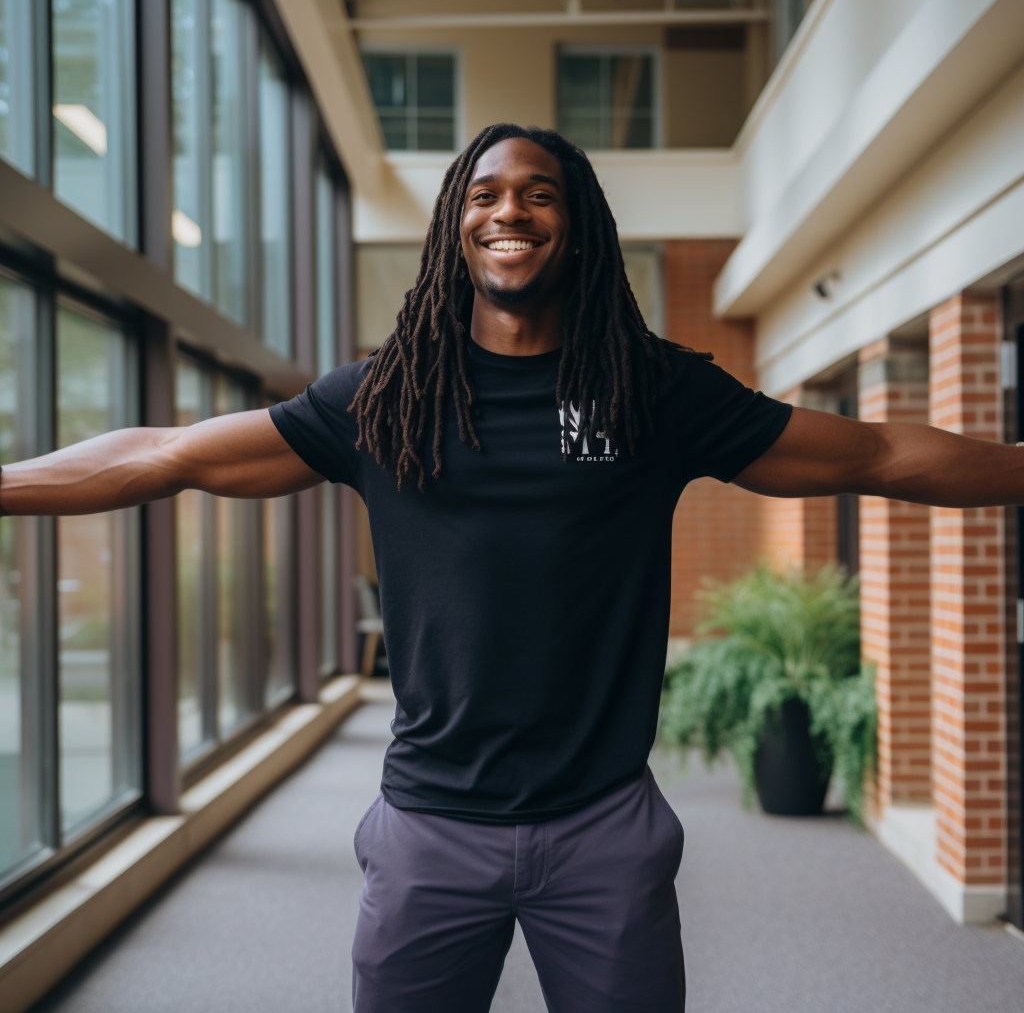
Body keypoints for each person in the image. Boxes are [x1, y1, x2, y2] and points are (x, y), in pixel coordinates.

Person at [2, 123, 1021, 1013]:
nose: (511, 211)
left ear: (576, 225)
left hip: (602, 830)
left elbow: (875, 455)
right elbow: (166, 454)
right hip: (428, 832)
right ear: (455, 223)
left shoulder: (651, 393)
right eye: (485, 193)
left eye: (541, 193)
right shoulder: (385, 399)